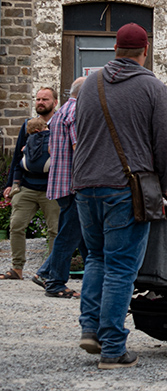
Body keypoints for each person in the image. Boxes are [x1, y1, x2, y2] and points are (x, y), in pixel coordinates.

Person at [73, 23, 167, 369]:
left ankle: (90, 329)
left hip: (85, 184)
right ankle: (112, 349)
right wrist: (164, 184)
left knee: (96, 258)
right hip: (125, 187)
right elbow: (165, 145)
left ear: (115, 49)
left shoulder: (90, 83)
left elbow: (82, 131)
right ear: (144, 51)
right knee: (121, 268)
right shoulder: (152, 87)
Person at [32, 77, 87, 298]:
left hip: (61, 182)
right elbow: (79, 148)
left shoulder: (62, 111)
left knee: (82, 235)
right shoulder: (76, 113)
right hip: (74, 183)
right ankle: (54, 282)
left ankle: (45, 272)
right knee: (69, 234)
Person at [2, 87, 61, 280]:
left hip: (52, 189)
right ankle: (17, 269)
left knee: (55, 230)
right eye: (37, 99)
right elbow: (18, 156)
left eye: (45, 99)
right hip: (26, 186)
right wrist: (11, 184)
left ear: (55, 102)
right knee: (16, 226)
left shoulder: (61, 124)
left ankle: (52, 271)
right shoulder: (28, 125)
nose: (40, 102)